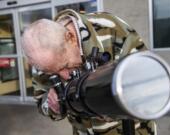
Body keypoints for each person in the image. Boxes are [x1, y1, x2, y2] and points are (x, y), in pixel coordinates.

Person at [22, 9, 157, 135]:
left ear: (71, 38)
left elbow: (149, 80)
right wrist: (54, 106)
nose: (65, 76)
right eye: (54, 73)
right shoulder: (41, 56)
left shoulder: (110, 29)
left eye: (66, 66)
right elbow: (41, 103)